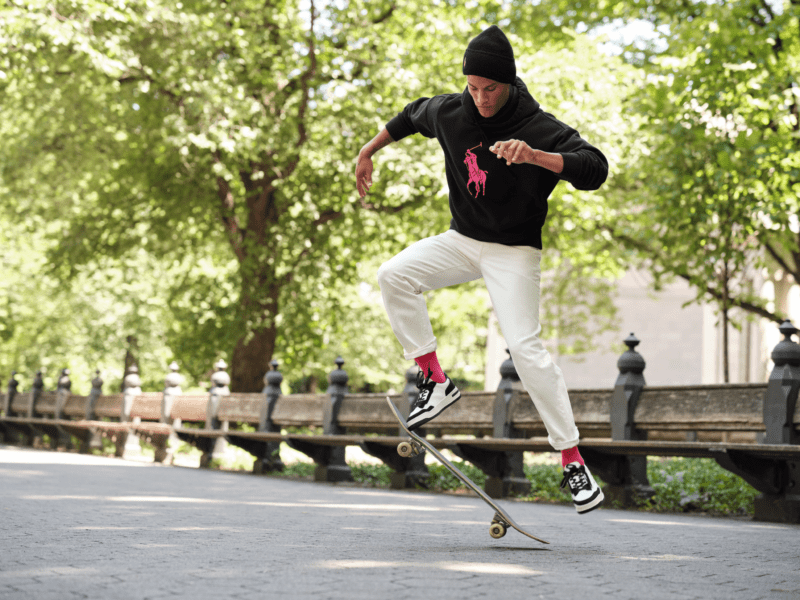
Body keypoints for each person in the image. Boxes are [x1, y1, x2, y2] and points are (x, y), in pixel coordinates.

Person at [355, 25, 607, 514]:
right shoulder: (451, 111)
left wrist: (535, 157)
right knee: (394, 274)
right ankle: (435, 379)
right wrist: (369, 150)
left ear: (508, 82)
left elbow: (595, 168)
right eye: (473, 88)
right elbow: (409, 116)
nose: (482, 99)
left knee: (526, 350)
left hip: (514, 251)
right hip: (462, 240)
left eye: (490, 89)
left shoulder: (539, 126)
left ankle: (572, 460)